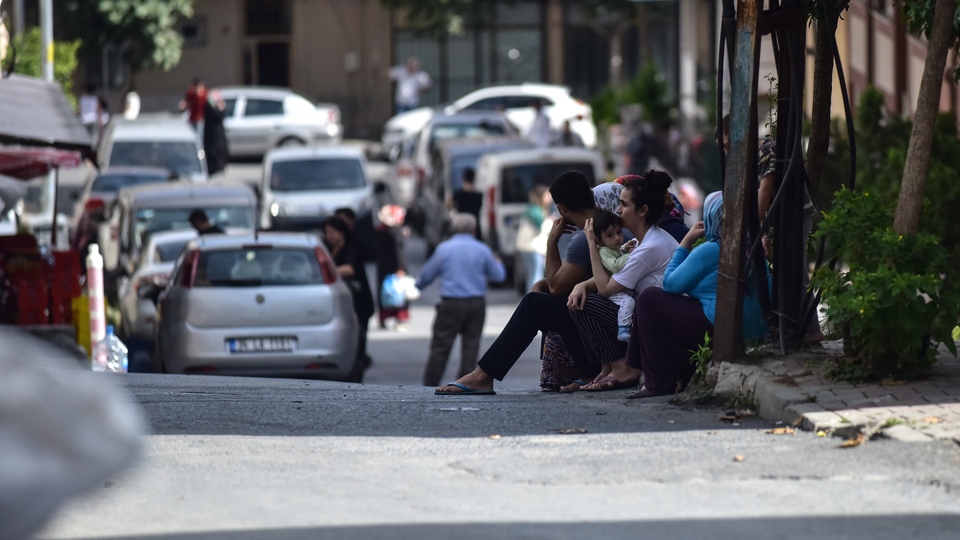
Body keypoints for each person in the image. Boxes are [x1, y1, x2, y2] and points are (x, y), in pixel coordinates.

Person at [434, 173, 630, 395]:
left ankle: (482, 376)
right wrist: (545, 284)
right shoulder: (614, 225)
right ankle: (587, 372)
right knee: (548, 299)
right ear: (590, 194)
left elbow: (557, 286)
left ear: (561, 208)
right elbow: (570, 280)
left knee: (535, 304)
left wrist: (552, 242)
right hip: (620, 321)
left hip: (616, 326)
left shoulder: (588, 235)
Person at [625, 192, 768, 398]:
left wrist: (686, 242)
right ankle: (665, 374)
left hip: (722, 327)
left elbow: (670, 284)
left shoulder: (714, 248)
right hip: (755, 331)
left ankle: (658, 381)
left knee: (648, 299)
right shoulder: (752, 247)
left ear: (711, 218)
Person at [564, 172, 680, 392]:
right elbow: (612, 279)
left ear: (642, 211)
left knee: (582, 305)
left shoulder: (649, 248)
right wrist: (581, 285)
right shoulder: (643, 241)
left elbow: (606, 289)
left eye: (624, 205)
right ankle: (610, 368)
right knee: (580, 298)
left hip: (660, 324)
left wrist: (592, 243)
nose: (617, 210)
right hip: (651, 316)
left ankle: (623, 368)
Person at [720, 114, 822, 342]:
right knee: (788, 271)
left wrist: (752, 228)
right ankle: (796, 326)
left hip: (795, 216)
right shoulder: (754, 156)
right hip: (782, 220)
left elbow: (766, 191)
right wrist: (765, 233)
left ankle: (812, 330)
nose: (727, 152)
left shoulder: (766, 150)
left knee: (795, 271)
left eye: (728, 146)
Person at [417, 213, 506, 388]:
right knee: (471, 347)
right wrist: (499, 262)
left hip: (450, 303)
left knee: (440, 347)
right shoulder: (482, 249)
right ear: (473, 230)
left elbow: (427, 275)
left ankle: (429, 384)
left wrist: (416, 287)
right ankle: (463, 384)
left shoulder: (444, 248)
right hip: (476, 303)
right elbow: (499, 275)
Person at [323, 216, 375, 376]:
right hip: (339, 302)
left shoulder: (352, 246)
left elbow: (350, 269)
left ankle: (356, 367)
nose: (329, 235)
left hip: (359, 301)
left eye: (332, 232)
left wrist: (325, 273)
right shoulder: (326, 248)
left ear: (341, 233)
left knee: (358, 337)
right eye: (327, 232)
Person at [590, 210, 638, 342]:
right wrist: (632, 255)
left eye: (619, 232)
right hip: (611, 290)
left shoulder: (610, 249)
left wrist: (624, 248)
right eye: (610, 235)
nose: (617, 238)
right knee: (629, 302)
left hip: (617, 286)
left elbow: (617, 253)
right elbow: (615, 265)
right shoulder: (603, 251)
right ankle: (623, 330)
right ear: (599, 240)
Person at [375, 204, 410, 330]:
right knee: (398, 293)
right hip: (395, 267)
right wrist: (400, 268)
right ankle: (400, 317)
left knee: (386, 292)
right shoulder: (394, 232)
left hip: (383, 267)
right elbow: (398, 252)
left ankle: (383, 317)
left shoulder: (380, 231)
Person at [514, 184, 550, 293]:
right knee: (536, 276)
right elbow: (544, 227)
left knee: (533, 275)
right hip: (532, 248)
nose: (550, 198)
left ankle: (531, 297)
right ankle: (533, 298)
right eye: (547, 195)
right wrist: (552, 221)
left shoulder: (533, 209)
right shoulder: (535, 210)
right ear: (541, 196)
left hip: (527, 248)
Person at [452, 168, 483, 241]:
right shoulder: (479, 195)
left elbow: (449, 206)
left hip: (461, 227)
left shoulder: (458, 194)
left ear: (464, 178)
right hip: (474, 228)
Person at [203, 90, 229, 177]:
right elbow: (217, 115)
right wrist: (220, 108)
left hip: (218, 139)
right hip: (212, 140)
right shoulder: (209, 107)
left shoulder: (212, 107)